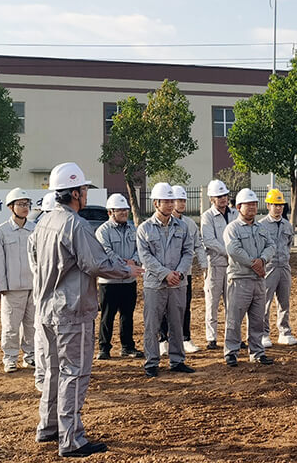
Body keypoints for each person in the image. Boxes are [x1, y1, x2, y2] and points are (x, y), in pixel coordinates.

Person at [29, 162, 142, 458]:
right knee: (74, 373)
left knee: (54, 371)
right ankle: (71, 439)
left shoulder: (44, 222)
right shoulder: (75, 224)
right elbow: (95, 263)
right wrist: (127, 270)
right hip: (72, 310)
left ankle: (48, 427)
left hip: (47, 309)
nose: (86, 194)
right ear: (75, 192)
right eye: (83, 189)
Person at [137, 183, 194, 377]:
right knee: (152, 325)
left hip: (178, 283)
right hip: (155, 284)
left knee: (177, 323)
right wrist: (165, 274)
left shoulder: (183, 227)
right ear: (156, 203)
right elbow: (146, 257)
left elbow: (188, 252)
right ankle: (152, 362)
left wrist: (179, 273)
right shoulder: (145, 229)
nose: (170, 205)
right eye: (166, 201)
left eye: (172, 201)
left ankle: (177, 360)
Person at [223, 188, 276, 366]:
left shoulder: (262, 228)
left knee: (257, 318)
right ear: (239, 207)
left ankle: (257, 352)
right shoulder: (232, 228)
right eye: (248, 204)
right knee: (234, 319)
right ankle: (231, 352)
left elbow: (271, 246)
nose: (252, 207)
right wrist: (255, 264)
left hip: (258, 280)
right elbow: (234, 250)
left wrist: (263, 259)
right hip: (240, 279)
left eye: (254, 204)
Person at [0, 188, 36, 373]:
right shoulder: (1, 231)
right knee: (11, 326)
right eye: (21, 204)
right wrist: (2, 285)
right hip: (12, 287)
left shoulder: (35, 229)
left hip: (33, 285)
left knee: (32, 324)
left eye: (27, 204)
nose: (25, 207)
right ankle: (10, 358)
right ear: (11, 207)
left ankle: (30, 356)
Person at [95, 193, 143, 360]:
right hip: (109, 282)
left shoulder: (133, 229)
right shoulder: (103, 231)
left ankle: (127, 347)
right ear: (110, 212)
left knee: (127, 315)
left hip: (129, 281)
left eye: (125, 210)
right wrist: (126, 265)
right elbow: (106, 252)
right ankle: (104, 348)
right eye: (119, 210)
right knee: (107, 316)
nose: (124, 213)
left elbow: (140, 249)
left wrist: (134, 262)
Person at [167, 185, 207, 355]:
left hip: (185, 273)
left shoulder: (189, 224)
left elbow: (198, 245)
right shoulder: (164, 223)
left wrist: (204, 264)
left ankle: (185, 338)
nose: (182, 203)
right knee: (164, 308)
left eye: (184, 200)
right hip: (166, 274)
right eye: (179, 200)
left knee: (184, 306)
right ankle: (163, 340)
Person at [258, 188, 297, 347]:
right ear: (268, 205)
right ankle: (263, 334)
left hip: (284, 267)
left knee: (284, 302)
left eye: (280, 205)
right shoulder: (261, 225)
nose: (278, 208)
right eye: (275, 205)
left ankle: (284, 332)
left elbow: (288, 245)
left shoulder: (287, 225)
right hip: (268, 267)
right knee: (264, 302)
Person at [201, 179, 238, 350]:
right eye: (219, 196)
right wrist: (229, 251)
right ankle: (212, 338)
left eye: (224, 195)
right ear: (211, 198)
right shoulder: (207, 216)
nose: (223, 198)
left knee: (233, 303)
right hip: (215, 265)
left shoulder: (234, 214)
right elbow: (209, 240)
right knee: (212, 302)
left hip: (233, 266)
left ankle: (233, 336)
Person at [34, 191, 57, 393]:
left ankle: (54, 374)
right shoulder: (37, 235)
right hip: (44, 294)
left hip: (58, 295)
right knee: (43, 337)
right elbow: (37, 267)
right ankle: (42, 376)